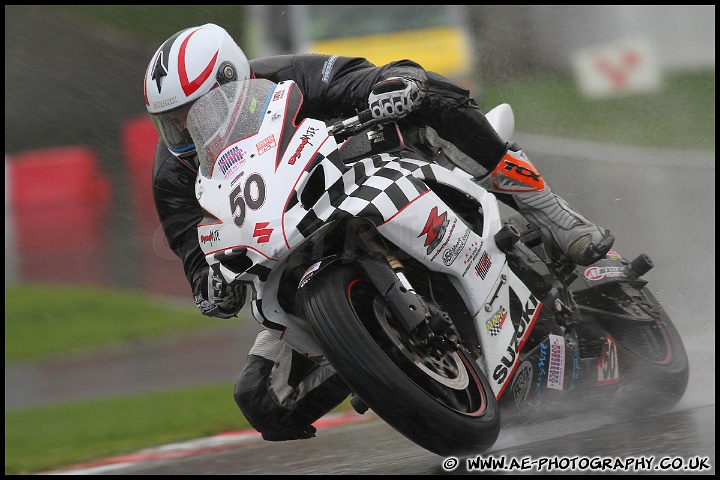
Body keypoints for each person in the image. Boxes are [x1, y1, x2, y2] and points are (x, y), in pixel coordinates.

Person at [144, 23, 615, 441]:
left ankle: (551, 213)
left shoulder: (290, 74)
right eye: (171, 123)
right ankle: (377, 357)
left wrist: (393, 85)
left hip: (367, 175)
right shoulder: (172, 172)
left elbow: (366, 77)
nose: (183, 133)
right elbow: (194, 253)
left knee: (433, 97)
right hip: (284, 248)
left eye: (192, 115)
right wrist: (212, 290)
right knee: (263, 402)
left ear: (231, 82)